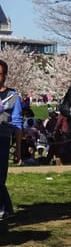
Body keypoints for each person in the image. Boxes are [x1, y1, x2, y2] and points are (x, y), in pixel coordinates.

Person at [0, 59, 23, 219]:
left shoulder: (13, 97)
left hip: (3, 138)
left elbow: (17, 124)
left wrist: (18, 151)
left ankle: (4, 209)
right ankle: (7, 209)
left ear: (5, 76)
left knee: (0, 176)